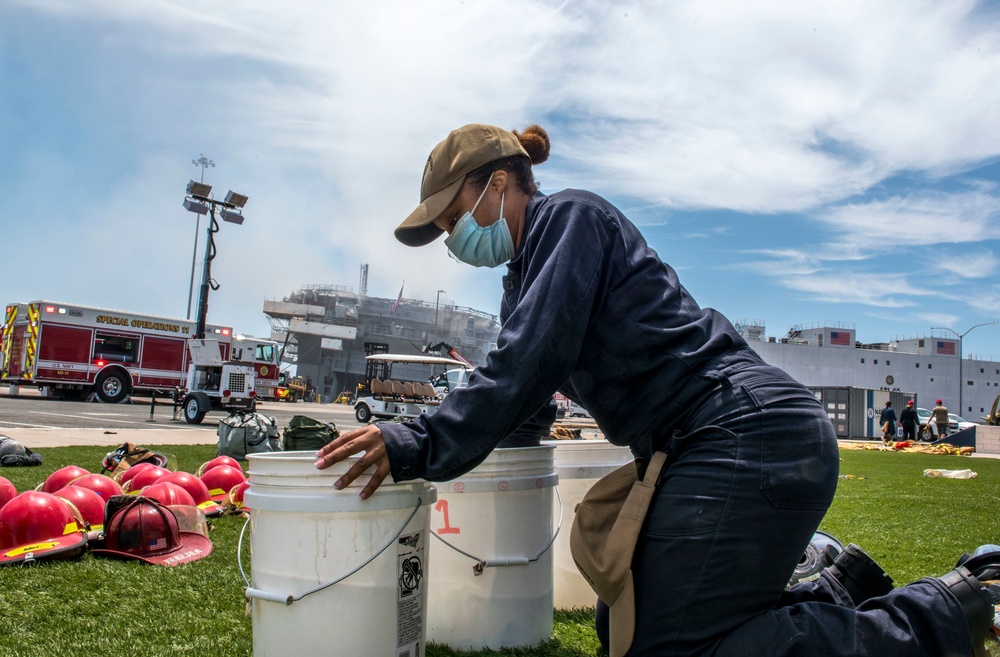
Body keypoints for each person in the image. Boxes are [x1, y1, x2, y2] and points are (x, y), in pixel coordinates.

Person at [315, 124, 998, 656]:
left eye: (447, 215)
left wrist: (415, 440)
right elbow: (523, 394)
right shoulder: (526, 275)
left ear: (496, 184)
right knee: (624, 617)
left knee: (673, 648)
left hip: (749, 434)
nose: (446, 236)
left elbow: (524, 362)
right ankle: (836, 586)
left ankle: (947, 612)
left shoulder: (570, 220)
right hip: (715, 442)